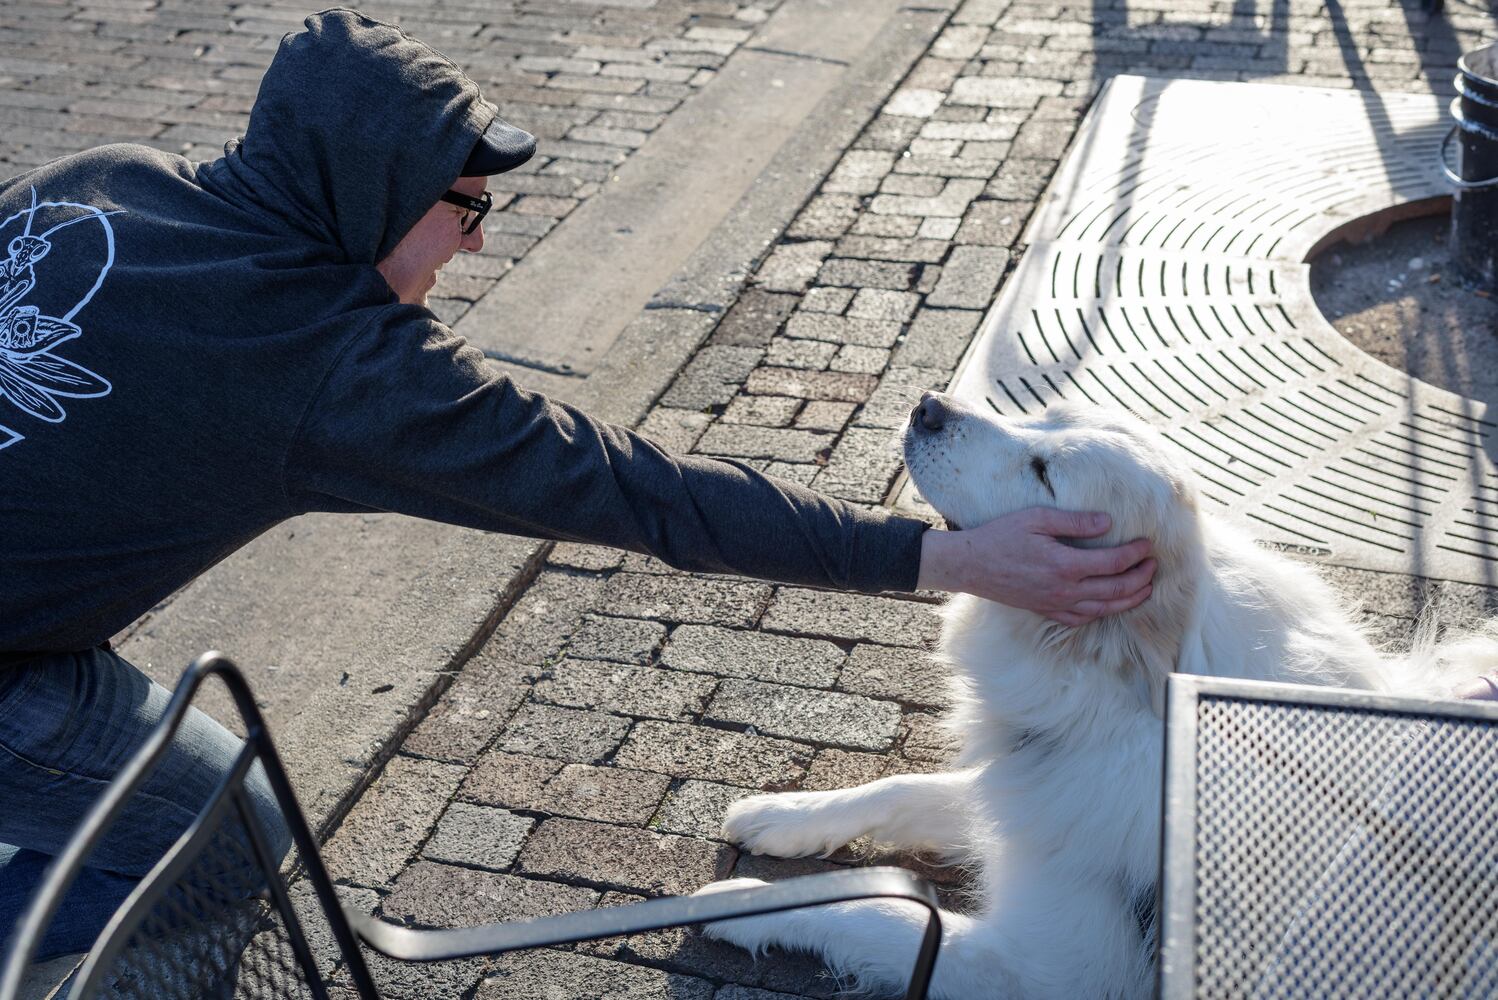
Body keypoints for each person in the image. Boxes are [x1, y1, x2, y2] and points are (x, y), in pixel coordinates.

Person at [0, 9, 1155, 959]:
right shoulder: (324, 361)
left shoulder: (106, 178)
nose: (476, 244)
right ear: (368, 189)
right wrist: (944, 555)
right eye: (463, 207)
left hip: (37, 628)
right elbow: (629, 487)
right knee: (223, 840)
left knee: (139, 812)